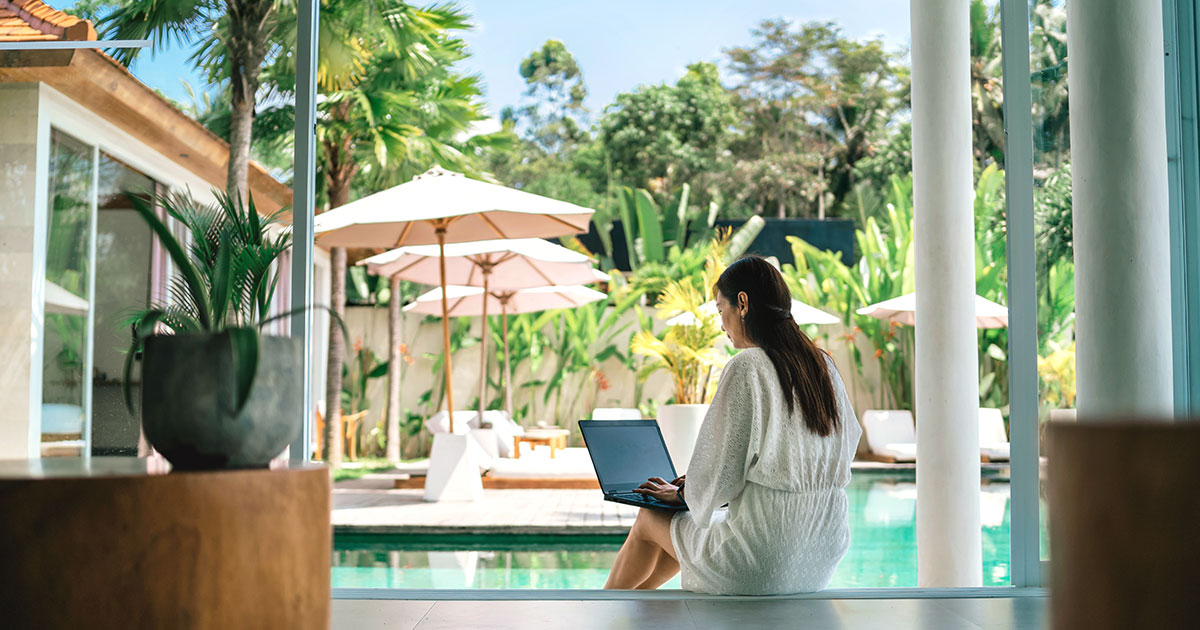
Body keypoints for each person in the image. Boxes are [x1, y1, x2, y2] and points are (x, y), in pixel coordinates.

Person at [603, 255, 862, 594]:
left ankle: (601, 604)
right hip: (821, 552)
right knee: (691, 525)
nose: (721, 323)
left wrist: (682, 491)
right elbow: (845, 447)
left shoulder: (748, 367)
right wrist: (692, 492)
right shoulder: (823, 366)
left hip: (763, 559)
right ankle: (635, 598)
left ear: (742, 303)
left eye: (720, 309)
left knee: (650, 518)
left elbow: (719, 476)